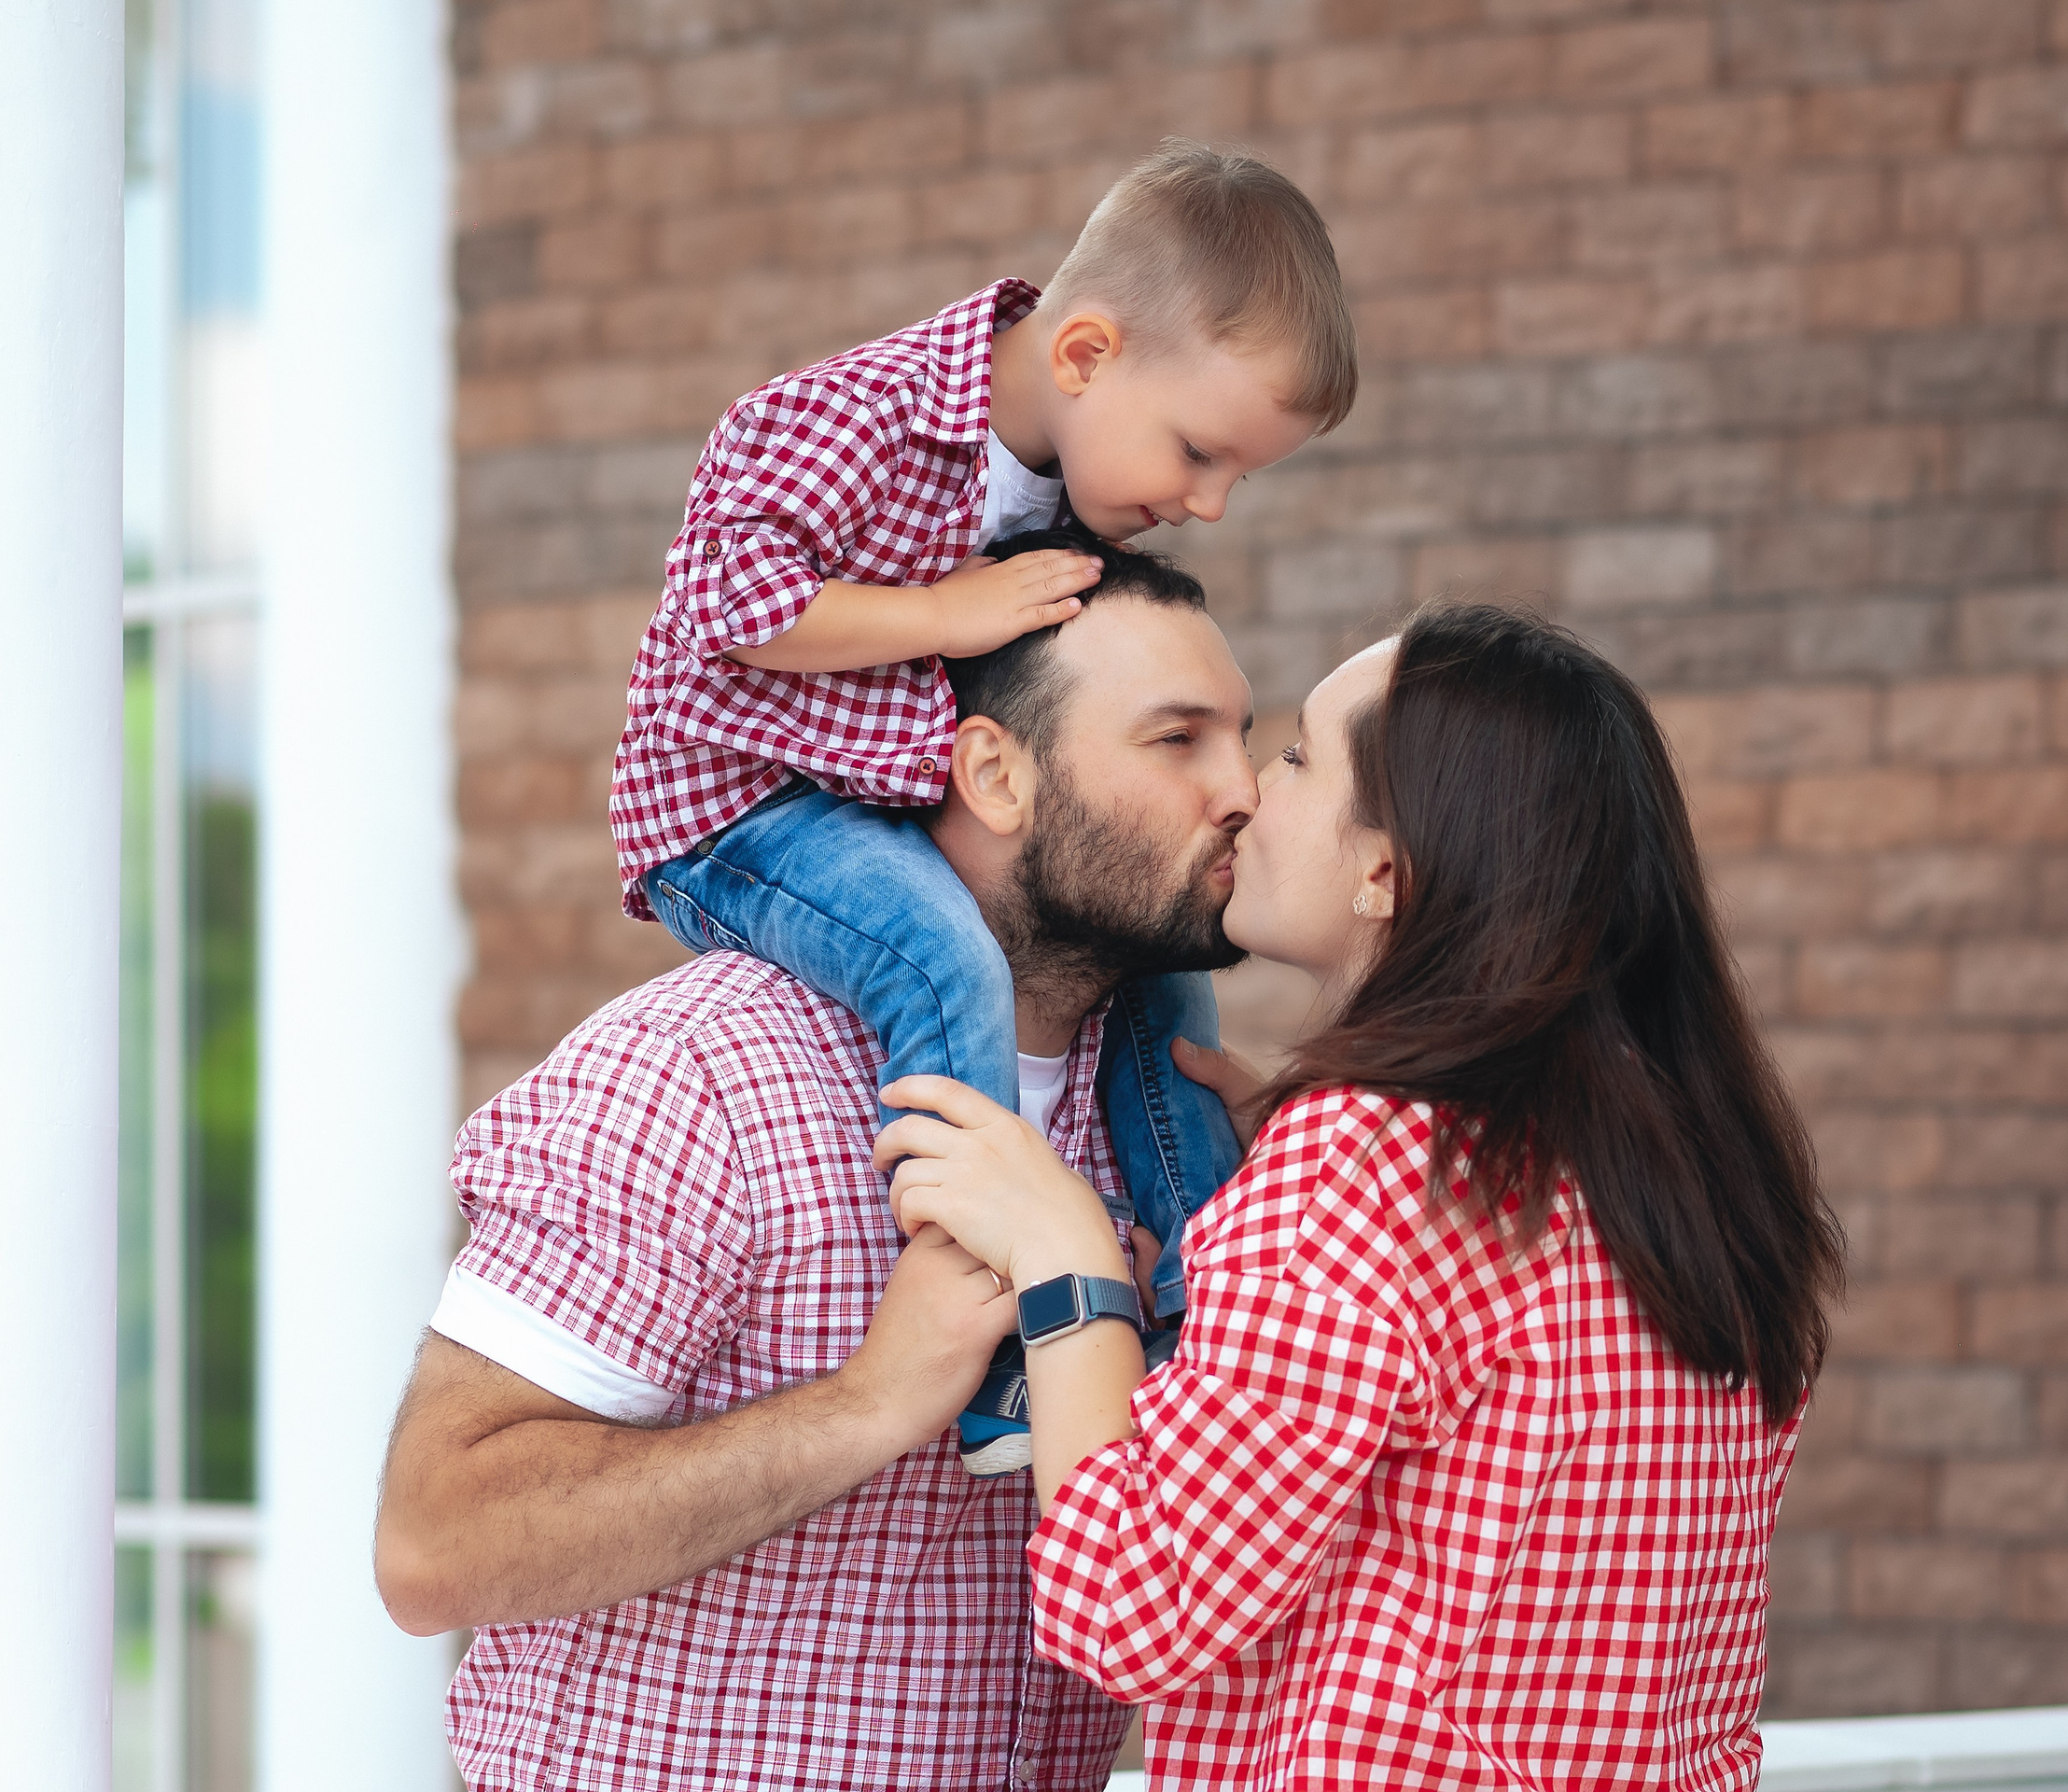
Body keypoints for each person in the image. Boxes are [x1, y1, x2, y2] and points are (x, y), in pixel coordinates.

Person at [879, 605, 1849, 1790]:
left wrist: (1065, 1258)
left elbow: (1133, 1607)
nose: (1244, 792)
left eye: (1293, 756)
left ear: (1384, 871)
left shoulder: (1368, 1163)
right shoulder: (1698, 1157)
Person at [374, 542, 1258, 1790]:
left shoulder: (1188, 1132)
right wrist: (874, 1400)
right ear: (995, 774)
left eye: (1247, 738)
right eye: (1178, 741)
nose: (1242, 792)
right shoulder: (697, 1073)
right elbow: (435, 1541)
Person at [611, 138, 1356, 1474]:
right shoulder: (864, 415)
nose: (1210, 504)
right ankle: (996, 1335)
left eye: (1240, 474)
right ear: (1081, 355)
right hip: (742, 807)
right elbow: (733, 605)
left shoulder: (1075, 478)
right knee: (942, 956)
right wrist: (944, 612)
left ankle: (1193, 1322)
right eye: (1198, 453)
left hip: (876, 791)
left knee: (1166, 985)